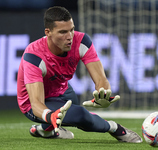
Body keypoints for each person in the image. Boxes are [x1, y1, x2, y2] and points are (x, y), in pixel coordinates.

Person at [17, 6, 142, 143]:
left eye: (71, 30)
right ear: (48, 32)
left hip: (62, 91)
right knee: (80, 114)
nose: (69, 37)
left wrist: (103, 93)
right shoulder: (34, 55)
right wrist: (49, 115)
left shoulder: (81, 41)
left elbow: (101, 78)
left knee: (72, 105)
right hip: (32, 104)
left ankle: (44, 130)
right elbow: (36, 103)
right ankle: (114, 128)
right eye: (63, 32)